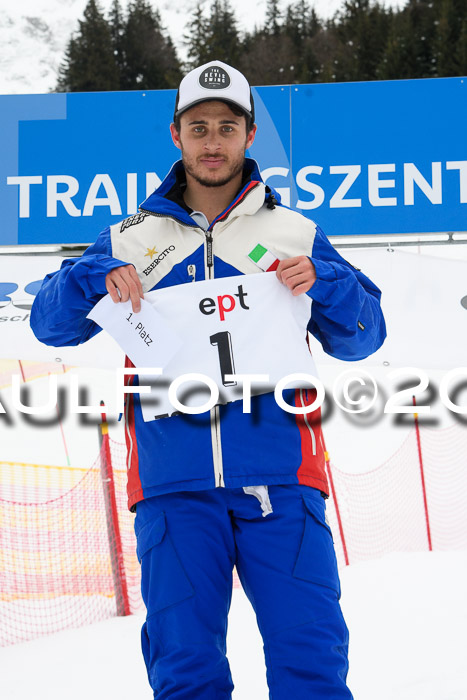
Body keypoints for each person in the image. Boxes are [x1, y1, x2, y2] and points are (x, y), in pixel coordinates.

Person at [31, 60, 386, 699]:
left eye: (228, 127)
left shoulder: (293, 232)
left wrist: (325, 284)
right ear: (177, 136)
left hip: (282, 478)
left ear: (250, 137)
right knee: (185, 669)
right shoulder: (130, 239)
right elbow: (52, 328)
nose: (213, 141)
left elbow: (364, 339)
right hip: (173, 487)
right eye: (199, 128)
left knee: (311, 661)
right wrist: (90, 279)